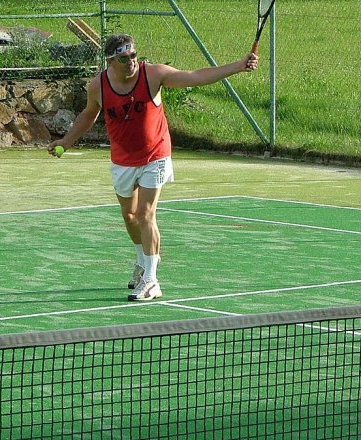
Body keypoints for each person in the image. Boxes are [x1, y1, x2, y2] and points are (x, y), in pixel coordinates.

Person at [49, 34, 259, 301]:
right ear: (111, 61)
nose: (131, 62)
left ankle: (151, 280)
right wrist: (67, 141)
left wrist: (238, 66)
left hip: (155, 155)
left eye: (133, 55)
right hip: (122, 160)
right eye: (124, 58)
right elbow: (89, 114)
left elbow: (196, 76)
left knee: (146, 214)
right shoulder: (97, 87)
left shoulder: (153, 75)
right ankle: (142, 260)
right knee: (130, 216)